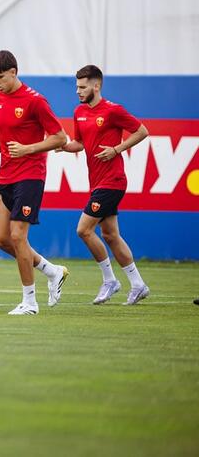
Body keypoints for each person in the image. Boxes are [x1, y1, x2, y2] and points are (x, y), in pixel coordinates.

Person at [0, 50, 69, 315]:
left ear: (14, 72)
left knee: (18, 236)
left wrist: (27, 149)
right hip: (6, 174)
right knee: (2, 239)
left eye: (0, 77)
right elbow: (2, 128)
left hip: (31, 174)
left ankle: (30, 302)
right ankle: (51, 271)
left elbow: (60, 138)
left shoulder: (35, 101)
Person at [58, 64, 150, 305]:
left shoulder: (112, 110)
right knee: (110, 235)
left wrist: (117, 149)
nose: (78, 91)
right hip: (97, 181)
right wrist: (63, 146)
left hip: (113, 181)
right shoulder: (79, 112)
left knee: (83, 230)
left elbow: (142, 131)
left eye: (82, 87)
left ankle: (110, 280)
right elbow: (80, 143)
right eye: (77, 87)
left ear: (96, 86)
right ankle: (138, 284)